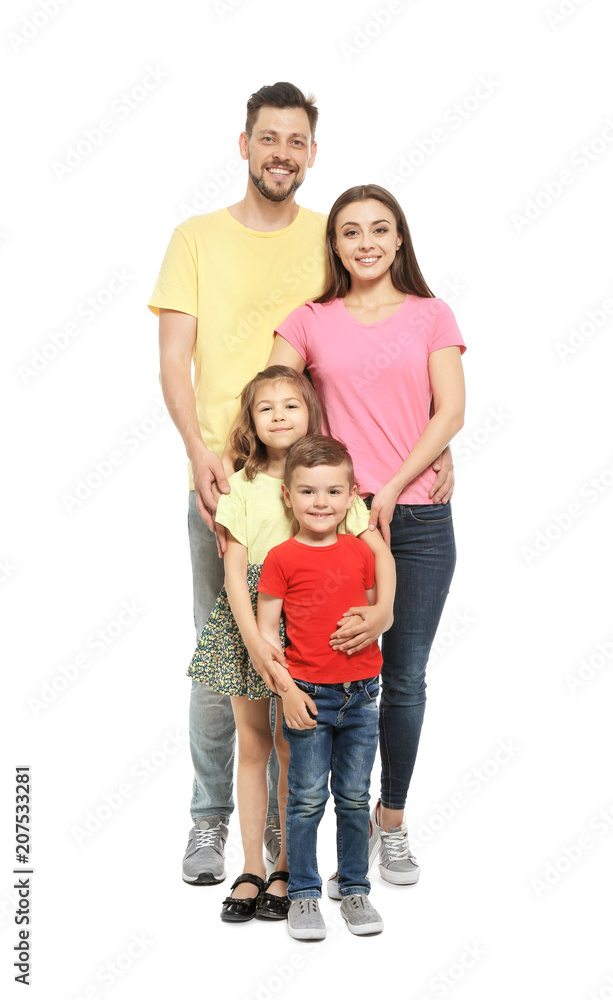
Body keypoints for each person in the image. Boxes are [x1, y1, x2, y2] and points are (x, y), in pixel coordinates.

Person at [148, 81, 455, 885]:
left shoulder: (334, 237)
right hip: (227, 484)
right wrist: (200, 449)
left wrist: (428, 451)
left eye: (296, 141)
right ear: (244, 144)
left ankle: (296, 836)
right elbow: (173, 362)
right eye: (268, 138)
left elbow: (374, 360)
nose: (281, 153)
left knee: (314, 657)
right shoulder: (195, 238)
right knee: (227, 661)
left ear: (312, 154)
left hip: (324, 502)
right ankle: (210, 820)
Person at [267, 184, 466, 891]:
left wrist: (395, 483)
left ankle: (391, 821)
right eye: (350, 232)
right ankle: (311, 841)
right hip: (332, 526)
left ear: (400, 240)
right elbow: (273, 401)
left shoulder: (430, 315)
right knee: (330, 675)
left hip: (413, 518)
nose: (365, 243)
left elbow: (450, 413)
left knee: (403, 678)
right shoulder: (310, 319)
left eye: (379, 230)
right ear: (336, 246)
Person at [187, 367, 395, 922]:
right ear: (251, 422)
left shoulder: (329, 480)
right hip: (249, 626)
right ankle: (252, 866)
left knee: (289, 746)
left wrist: (382, 611)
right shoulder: (240, 485)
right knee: (254, 745)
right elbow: (234, 576)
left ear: (311, 412)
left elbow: (374, 553)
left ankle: (286, 870)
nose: (279, 416)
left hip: (307, 628)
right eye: (265, 408)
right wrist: (256, 644)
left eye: (291, 405)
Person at [257, 435, 395, 940]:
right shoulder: (280, 558)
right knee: (307, 798)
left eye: (334, 492)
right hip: (308, 695)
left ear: (351, 495)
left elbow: (375, 611)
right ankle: (304, 893)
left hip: (362, 693)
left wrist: (380, 618)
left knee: (355, 796)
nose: (321, 503)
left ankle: (354, 886)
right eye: (309, 492)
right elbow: (268, 638)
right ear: (289, 497)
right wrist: (288, 692)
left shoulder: (362, 553)